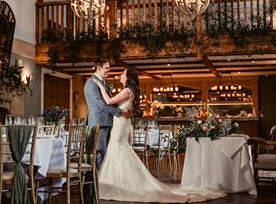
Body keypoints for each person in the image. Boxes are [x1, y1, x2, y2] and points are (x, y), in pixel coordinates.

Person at [94, 68, 226, 203]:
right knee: (120, 149)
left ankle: (119, 182)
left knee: (118, 148)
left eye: (122, 74)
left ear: (128, 77)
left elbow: (109, 101)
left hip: (121, 124)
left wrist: (99, 85)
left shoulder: (127, 90)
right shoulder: (129, 91)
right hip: (122, 122)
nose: (120, 76)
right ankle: (119, 181)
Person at [84, 58, 130, 169]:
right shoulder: (91, 83)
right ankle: (97, 181)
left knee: (104, 152)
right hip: (98, 123)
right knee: (99, 153)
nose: (109, 70)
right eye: (107, 68)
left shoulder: (102, 82)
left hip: (106, 122)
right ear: (99, 68)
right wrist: (120, 112)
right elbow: (101, 104)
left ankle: (101, 180)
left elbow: (109, 101)